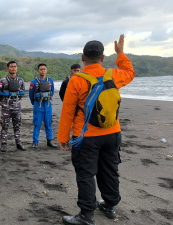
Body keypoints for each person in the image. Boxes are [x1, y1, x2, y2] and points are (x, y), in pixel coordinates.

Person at [58, 34, 135, 225]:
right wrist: (120, 53)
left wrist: (63, 137)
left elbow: (68, 111)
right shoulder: (113, 75)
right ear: (102, 58)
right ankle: (109, 205)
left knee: (85, 173)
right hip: (112, 133)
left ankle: (87, 215)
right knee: (110, 169)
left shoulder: (76, 80)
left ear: (82, 58)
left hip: (85, 136)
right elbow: (130, 71)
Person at [0, 61, 26, 152]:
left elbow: (22, 92)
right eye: (11, 66)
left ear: (17, 68)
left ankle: (19, 143)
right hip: (6, 107)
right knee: (4, 126)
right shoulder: (3, 80)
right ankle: (3, 144)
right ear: (7, 68)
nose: (13, 68)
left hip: (17, 106)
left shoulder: (20, 80)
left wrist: (16, 101)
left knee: (17, 125)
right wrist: (4, 102)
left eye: (15, 66)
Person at [28, 63, 58, 149]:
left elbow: (52, 91)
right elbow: (31, 95)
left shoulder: (50, 81)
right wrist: (35, 103)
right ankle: (35, 142)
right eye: (41, 69)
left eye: (44, 69)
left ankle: (49, 141)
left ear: (46, 70)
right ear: (38, 71)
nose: (43, 71)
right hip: (38, 106)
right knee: (37, 124)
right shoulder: (33, 82)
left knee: (48, 124)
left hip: (48, 105)